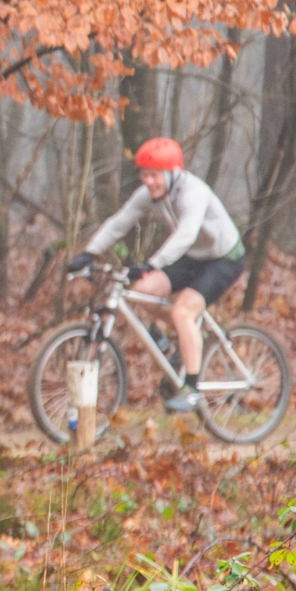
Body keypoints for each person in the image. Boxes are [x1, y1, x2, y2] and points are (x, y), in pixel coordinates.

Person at [66, 137, 243, 412]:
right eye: (144, 175)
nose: (148, 181)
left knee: (182, 310)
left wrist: (152, 263)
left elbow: (186, 235)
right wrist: (88, 253)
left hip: (223, 257)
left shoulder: (192, 192)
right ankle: (184, 336)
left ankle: (193, 389)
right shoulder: (147, 195)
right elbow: (118, 224)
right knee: (142, 291)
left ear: (173, 173)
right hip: (192, 256)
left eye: (154, 175)